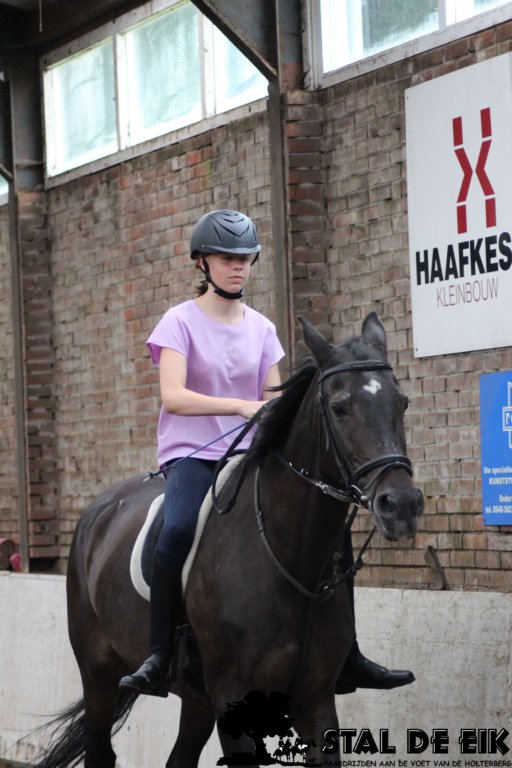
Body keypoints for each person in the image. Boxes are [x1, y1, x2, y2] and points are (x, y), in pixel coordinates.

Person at [119, 208, 414, 698]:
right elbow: (174, 396)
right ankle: (157, 654)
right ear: (202, 263)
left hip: (250, 452)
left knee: (333, 531)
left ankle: (350, 655)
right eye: (226, 258)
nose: (238, 267)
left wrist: (270, 415)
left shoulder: (261, 328)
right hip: (194, 453)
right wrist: (239, 405)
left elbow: (273, 400)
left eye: (245, 258)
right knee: (177, 530)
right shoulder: (178, 322)